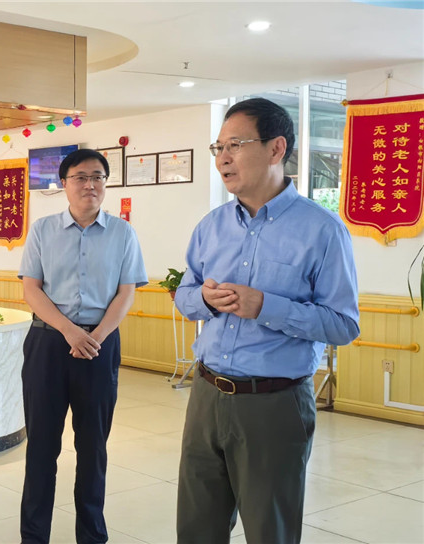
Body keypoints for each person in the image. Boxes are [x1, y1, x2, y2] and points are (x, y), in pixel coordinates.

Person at [174, 98, 360, 544]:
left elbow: (343, 324)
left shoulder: (322, 230)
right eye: (218, 147)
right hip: (206, 394)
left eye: (235, 145)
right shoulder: (211, 226)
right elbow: (184, 295)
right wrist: (204, 299)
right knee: (196, 529)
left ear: (276, 149)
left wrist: (267, 307)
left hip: (274, 405)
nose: (223, 158)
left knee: (268, 531)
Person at [18, 148, 148, 544]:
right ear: (64, 184)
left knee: (93, 448)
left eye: (97, 177)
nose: (90, 184)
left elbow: (126, 292)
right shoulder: (42, 230)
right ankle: (33, 537)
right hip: (48, 343)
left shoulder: (123, 233)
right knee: (42, 448)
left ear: (105, 183)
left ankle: (92, 536)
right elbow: (31, 289)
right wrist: (69, 332)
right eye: (80, 177)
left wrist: (97, 336)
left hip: (99, 345)